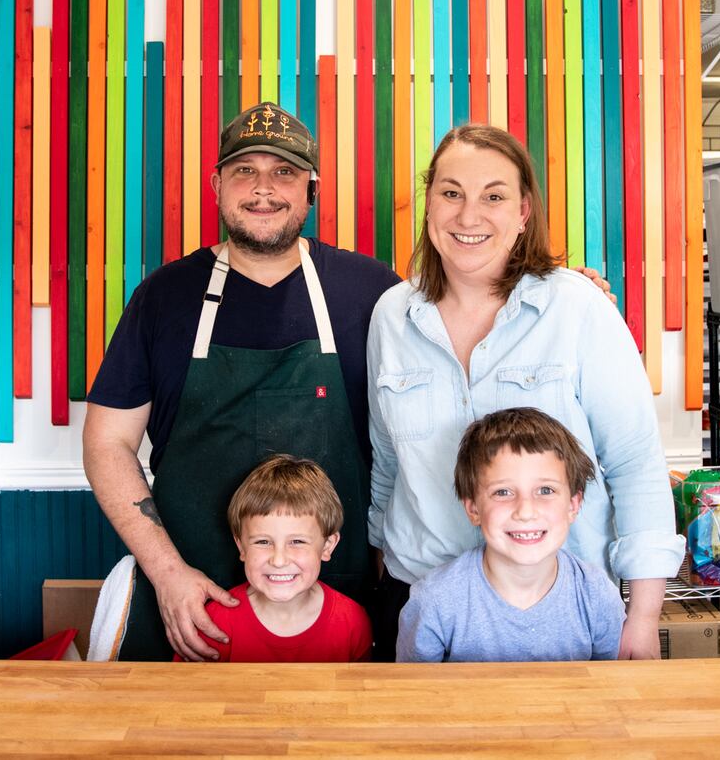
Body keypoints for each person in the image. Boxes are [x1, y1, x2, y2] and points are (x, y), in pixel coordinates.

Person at [83, 103, 398, 661]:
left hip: (331, 604)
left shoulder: (372, 293)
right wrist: (167, 573)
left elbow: (463, 347)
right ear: (217, 184)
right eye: (244, 170)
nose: (263, 189)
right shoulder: (164, 297)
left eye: (284, 172)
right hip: (191, 603)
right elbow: (107, 443)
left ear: (311, 189)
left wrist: (559, 288)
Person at [367, 124, 684, 660]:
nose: (469, 216)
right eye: (451, 193)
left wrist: (644, 615)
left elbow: (634, 465)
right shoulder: (391, 316)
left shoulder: (578, 309)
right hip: (421, 596)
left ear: (522, 213)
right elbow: (388, 465)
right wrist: (379, 576)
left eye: (494, 196)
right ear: (428, 206)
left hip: (560, 606)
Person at [398, 409, 624, 662]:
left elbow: (606, 688)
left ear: (573, 504)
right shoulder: (435, 600)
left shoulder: (597, 595)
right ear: (473, 508)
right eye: (503, 492)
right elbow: (416, 695)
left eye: (545, 490)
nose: (525, 511)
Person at [182, 454, 373, 662]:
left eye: (297, 542)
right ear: (241, 546)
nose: (279, 560)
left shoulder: (353, 621)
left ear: (327, 545)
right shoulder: (214, 622)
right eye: (263, 542)